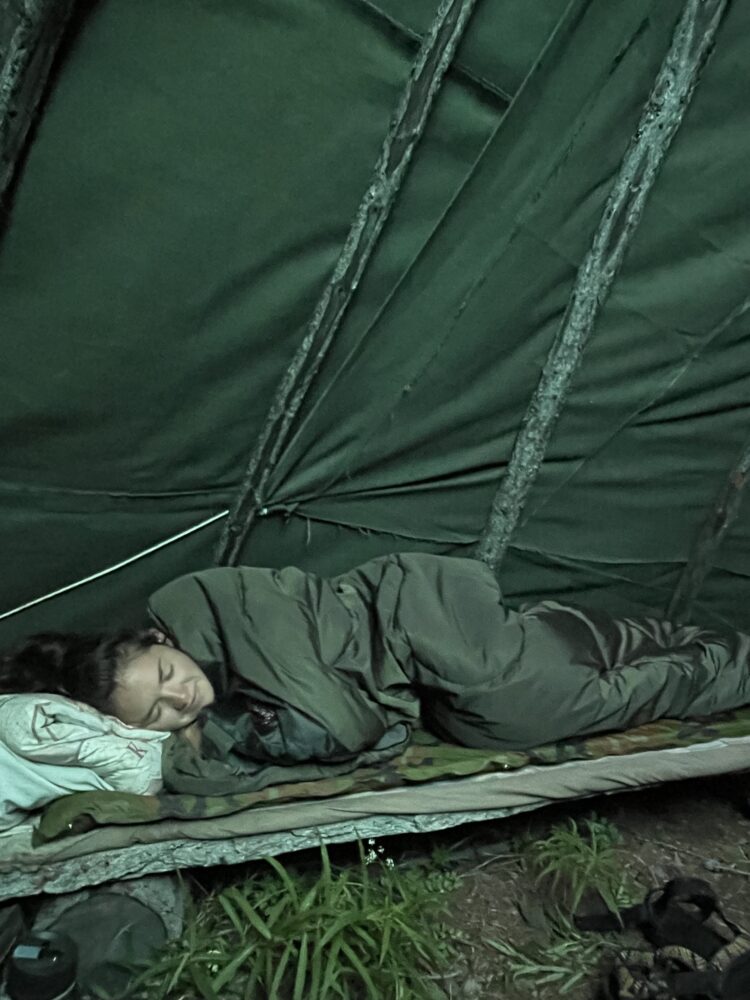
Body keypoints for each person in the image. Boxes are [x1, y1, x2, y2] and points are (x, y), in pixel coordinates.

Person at [2, 553, 749, 769]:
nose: (181, 698)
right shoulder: (216, 683)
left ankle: (734, 667)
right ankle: (661, 647)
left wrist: (219, 735)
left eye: (166, 678)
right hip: (414, 658)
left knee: (511, 702)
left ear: (156, 644)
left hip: (414, 606)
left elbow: (341, 721)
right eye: (161, 712)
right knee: (495, 712)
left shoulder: (201, 599)